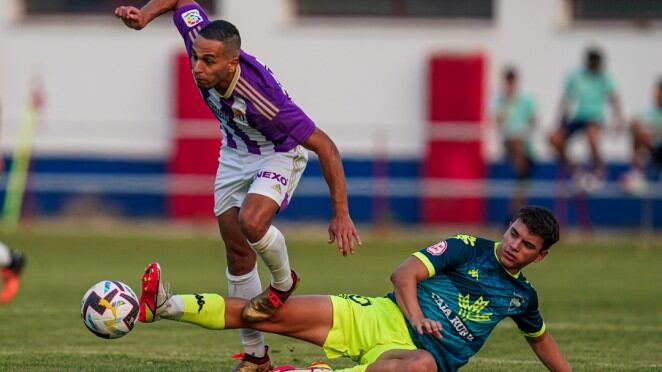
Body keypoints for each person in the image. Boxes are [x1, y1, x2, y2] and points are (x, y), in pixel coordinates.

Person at [115, 1, 362, 370]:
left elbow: (324, 145)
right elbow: (182, 3)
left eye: (208, 62)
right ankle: (256, 357)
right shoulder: (201, 40)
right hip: (234, 151)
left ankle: (282, 283)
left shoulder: (264, 99)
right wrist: (146, 16)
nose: (198, 67)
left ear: (231, 63)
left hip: (277, 152)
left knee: (252, 222)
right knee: (237, 251)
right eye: (196, 58)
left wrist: (341, 213)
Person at [137, 206, 571, 372]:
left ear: (541, 255)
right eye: (514, 234)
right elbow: (403, 274)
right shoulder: (467, 247)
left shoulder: (522, 298)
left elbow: (541, 340)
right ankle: (163, 306)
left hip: (414, 356)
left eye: (527, 244)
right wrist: (416, 314)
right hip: (377, 316)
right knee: (269, 312)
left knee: (420, 367)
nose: (515, 246)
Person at [549, 47, 623, 192]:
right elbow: (566, 99)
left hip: (594, 117)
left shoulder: (605, 77)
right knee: (554, 139)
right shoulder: (576, 76)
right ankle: (576, 171)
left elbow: (614, 99)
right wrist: (560, 121)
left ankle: (599, 169)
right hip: (577, 118)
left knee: (591, 136)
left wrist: (618, 120)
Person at [493, 66, 537, 214]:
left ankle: (515, 215)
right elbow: (498, 122)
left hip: (525, 146)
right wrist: (507, 103)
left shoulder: (526, 101)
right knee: (514, 140)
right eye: (508, 82)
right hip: (510, 145)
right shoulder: (500, 101)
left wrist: (522, 131)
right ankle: (520, 164)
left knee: (520, 188)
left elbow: (534, 122)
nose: (510, 85)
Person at [620, 79, 662, 195]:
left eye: (659, 94)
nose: (657, 96)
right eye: (656, 93)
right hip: (654, 149)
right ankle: (637, 172)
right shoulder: (649, 113)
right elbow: (634, 124)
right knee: (636, 129)